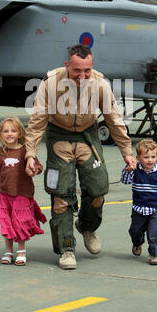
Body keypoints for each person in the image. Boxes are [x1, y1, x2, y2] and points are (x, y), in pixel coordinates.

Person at [25, 43, 136, 270]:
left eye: (87, 70)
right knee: (60, 194)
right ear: (67, 66)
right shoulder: (50, 83)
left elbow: (114, 119)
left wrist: (127, 152)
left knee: (98, 188)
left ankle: (86, 226)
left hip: (88, 136)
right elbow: (36, 123)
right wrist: (30, 154)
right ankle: (66, 248)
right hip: (59, 137)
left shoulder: (100, 84)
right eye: (77, 71)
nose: (82, 76)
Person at [0, 116, 47, 265]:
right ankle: (8, 251)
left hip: (22, 194)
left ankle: (21, 250)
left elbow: (38, 166)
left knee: (20, 222)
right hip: (5, 194)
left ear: (20, 133)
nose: (9, 134)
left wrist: (34, 170)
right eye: (6, 131)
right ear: (1, 134)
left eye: (13, 130)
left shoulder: (26, 151)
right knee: (7, 224)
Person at [121, 139, 157, 265]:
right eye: (146, 157)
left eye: (153, 156)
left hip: (155, 209)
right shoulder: (135, 171)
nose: (150, 160)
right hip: (138, 209)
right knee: (134, 231)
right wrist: (128, 170)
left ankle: (153, 254)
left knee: (153, 233)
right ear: (138, 158)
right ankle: (137, 243)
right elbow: (125, 181)